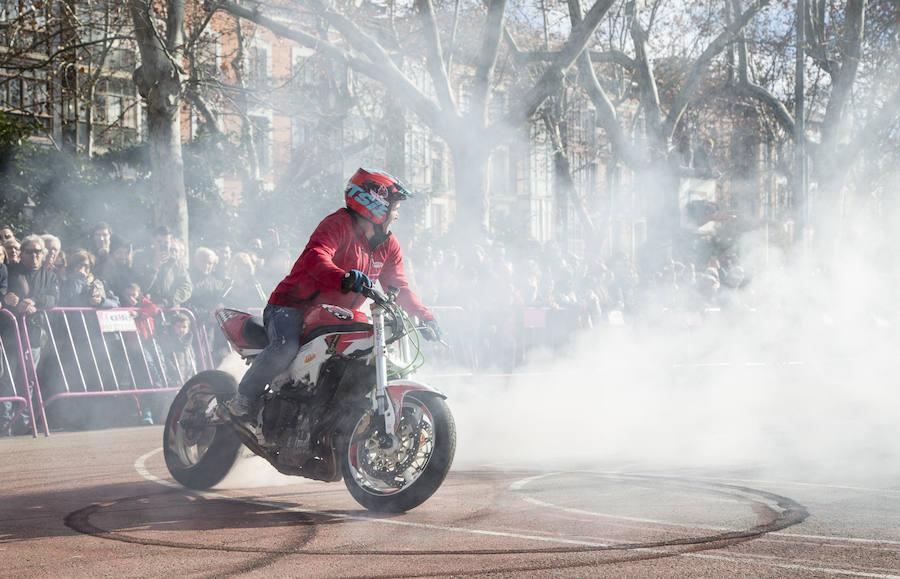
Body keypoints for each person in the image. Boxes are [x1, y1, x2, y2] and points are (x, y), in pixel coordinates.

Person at [222, 168, 441, 434]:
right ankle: (243, 399)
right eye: (394, 207)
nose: (397, 214)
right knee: (284, 347)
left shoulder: (388, 244)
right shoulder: (338, 224)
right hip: (291, 307)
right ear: (375, 205)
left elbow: (400, 287)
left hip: (338, 316)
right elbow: (317, 256)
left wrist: (426, 317)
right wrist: (344, 276)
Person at [133, 226, 192, 308]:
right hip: (148, 309)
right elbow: (139, 287)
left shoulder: (176, 262)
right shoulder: (141, 258)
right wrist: (154, 267)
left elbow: (187, 287)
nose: (163, 245)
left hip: (171, 309)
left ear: (171, 242)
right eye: (159, 242)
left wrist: (168, 302)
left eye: (166, 242)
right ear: (153, 241)